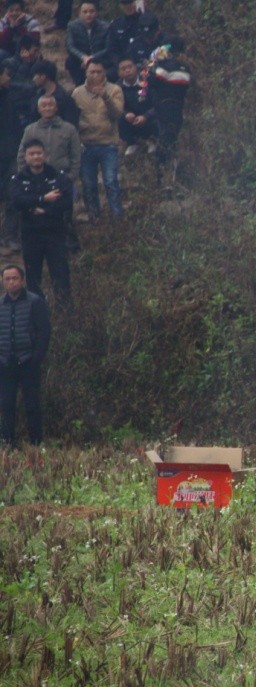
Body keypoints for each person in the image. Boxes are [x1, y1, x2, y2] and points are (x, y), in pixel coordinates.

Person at [9, 139, 73, 303]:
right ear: (25, 156)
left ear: (45, 155)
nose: (36, 157)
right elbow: (17, 201)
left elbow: (66, 202)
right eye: (32, 154)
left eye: (39, 153)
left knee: (60, 275)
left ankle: (66, 316)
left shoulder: (57, 176)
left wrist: (45, 210)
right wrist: (43, 198)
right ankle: (37, 317)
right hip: (31, 235)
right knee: (33, 278)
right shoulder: (18, 178)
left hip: (55, 233)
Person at [19, 95, 80, 253]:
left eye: (50, 105)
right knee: (36, 212)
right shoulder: (31, 130)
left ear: (56, 107)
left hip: (62, 180)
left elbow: (75, 155)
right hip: (35, 180)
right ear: (39, 109)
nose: (47, 108)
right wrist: (24, 176)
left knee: (65, 213)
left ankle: (69, 246)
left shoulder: (69, 129)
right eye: (44, 106)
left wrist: (70, 177)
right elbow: (21, 155)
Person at [0, 263, 51, 446]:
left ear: (22, 280)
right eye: (7, 279)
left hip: (28, 362)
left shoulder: (35, 302)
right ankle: (7, 443)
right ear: (3, 281)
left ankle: (36, 443)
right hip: (5, 364)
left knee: (32, 406)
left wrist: (36, 359)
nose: (11, 282)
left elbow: (44, 332)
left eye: (15, 278)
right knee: (6, 406)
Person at [71, 59, 122, 220]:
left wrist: (105, 97)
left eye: (99, 72)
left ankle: (117, 218)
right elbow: (73, 117)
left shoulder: (114, 90)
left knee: (111, 181)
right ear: (86, 73)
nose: (95, 75)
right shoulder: (77, 93)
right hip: (86, 144)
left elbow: (117, 114)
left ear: (104, 73)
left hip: (108, 143)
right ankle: (94, 218)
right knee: (88, 184)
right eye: (92, 71)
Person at [146, 37, 190, 181]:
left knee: (165, 137)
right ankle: (169, 168)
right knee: (172, 136)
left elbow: (151, 81)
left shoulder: (165, 66)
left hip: (164, 107)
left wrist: (152, 67)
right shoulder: (186, 68)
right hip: (178, 107)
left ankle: (161, 169)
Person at [66, 1, 110, 87]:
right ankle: (80, 86)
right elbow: (70, 46)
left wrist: (91, 58)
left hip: (99, 58)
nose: (88, 14)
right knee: (70, 61)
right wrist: (83, 57)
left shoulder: (105, 27)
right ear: (79, 13)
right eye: (85, 12)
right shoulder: (72, 26)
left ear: (97, 13)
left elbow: (108, 48)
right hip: (81, 60)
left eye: (91, 11)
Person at [0, 62, 20, 251]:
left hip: (11, 154)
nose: (9, 79)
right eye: (6, 75)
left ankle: (10, 234)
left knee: (12, 195)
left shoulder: (10, 95)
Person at [117, 56, 155, 154]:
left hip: (148, 117)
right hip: (131, 119)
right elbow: (116, 106)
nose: (127, 71)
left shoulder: (147, 81)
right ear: (119, 73)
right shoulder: (117, 88)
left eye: (130, 67)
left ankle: (152, 140)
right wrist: (125, 114)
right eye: (123, 69)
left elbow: (157, 104)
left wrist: (146, 116)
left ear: (135, 68)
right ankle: (132, 143)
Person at [29, 60, 78, 126]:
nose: (33, 79)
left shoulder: (65, 99)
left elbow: (71, 125)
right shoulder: (36, 96)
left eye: (35, 76)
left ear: (43, 77)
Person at [106, 0, 141, 77]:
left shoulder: (144, 21)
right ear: (121, 6)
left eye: (130, 3)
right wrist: (119, 63)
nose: (128, 6)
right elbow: (111, 49)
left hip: (140, 63)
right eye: (125, 4)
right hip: (121, 64)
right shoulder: (116, 24)